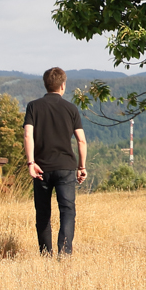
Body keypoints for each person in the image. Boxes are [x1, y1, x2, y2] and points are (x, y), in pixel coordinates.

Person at [23, 67, 88, 256]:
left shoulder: (33, 106)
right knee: (67, 210)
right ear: (63, 85)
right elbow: (81, 140)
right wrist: (81, 166)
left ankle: (45, 254)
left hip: (41, 168)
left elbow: (28, 135)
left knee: (43, 213)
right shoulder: (71, 108)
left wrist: (30, 162)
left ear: (46, 84)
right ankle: (65, 252)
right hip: (66, 167)